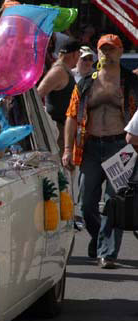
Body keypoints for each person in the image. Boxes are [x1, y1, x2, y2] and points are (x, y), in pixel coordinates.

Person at [64, 34, 138, 269]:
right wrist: (67, 149)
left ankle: (108, 253)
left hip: (120, 148)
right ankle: (98, 239)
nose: (107, 53)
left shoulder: (130, 82)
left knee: (115, 202)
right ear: (98, 52)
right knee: (86, 204)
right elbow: (72, 117)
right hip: (92, 147)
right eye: (103, 50)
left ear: (119, 51)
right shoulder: (86, 82)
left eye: (112, 49)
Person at [37, 39, 81, 151]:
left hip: (66, 129)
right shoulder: (58, 72)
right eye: (79, 55)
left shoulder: (64, 70)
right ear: (75, 54)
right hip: (59, 131)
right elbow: (38, 95)